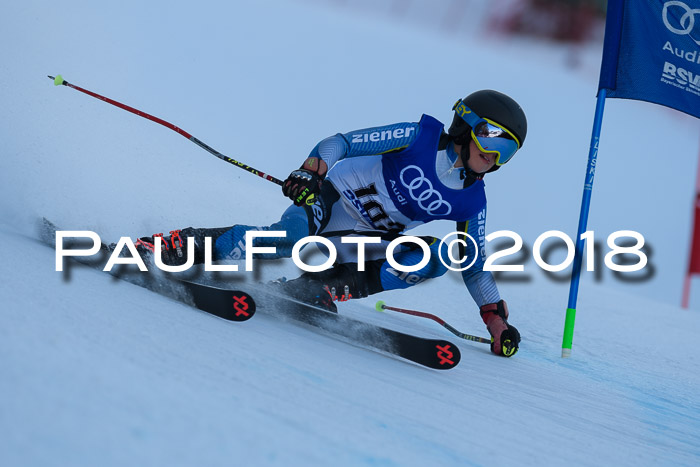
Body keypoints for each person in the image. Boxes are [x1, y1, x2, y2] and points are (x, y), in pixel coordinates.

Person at [131, 90, 526, 357]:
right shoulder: (419, 137)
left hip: (361, 240)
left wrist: (494, 319)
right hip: (329, 200)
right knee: (285, 240)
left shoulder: (472, 199)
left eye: (508, 150)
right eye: (493, 137)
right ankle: (176, 246)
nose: (496, 155)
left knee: (437, 256)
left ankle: (317, 288)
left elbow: (474, 265)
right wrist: (311, 170)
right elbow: (341, 143)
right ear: (465, 125)